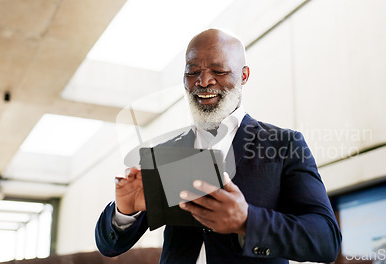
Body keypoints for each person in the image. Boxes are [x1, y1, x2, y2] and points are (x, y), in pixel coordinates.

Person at [95, 29, 341, 263]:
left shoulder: (285, 144)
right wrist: (124, 212)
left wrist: (247, 220)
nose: (203, 81)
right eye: (192, 72)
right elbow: (110, 246)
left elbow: (326, 240)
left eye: (218, 70)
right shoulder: (164, 153)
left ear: (244, 75)